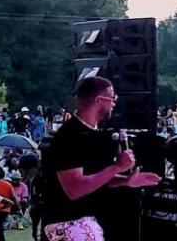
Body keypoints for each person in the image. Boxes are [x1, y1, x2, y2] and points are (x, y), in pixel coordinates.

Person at [33, 76, 160, 241]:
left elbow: (96, 179)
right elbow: (75, 188)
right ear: (99, 100)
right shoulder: (70, 136)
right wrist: (116, 167)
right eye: (113, 98)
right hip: (67, 225)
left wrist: (126, 180)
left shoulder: (94, 134)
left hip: (86, 223)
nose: (115, 103)